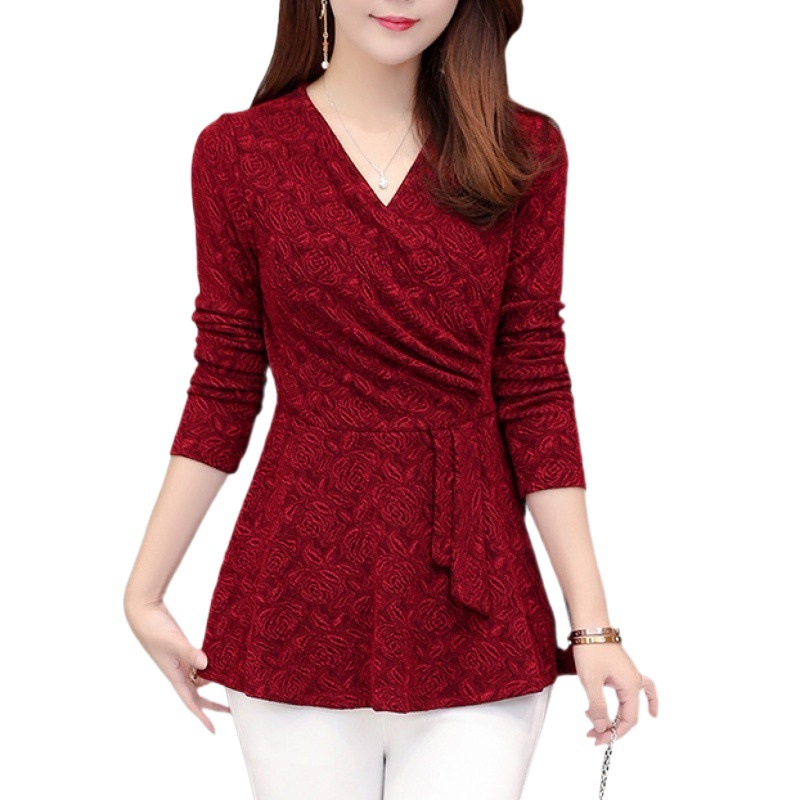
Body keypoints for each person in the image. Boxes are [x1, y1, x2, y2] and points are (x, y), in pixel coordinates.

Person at [124, 2, 658, 798]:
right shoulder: (239, 153)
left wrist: (594, 626)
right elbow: (225, 380)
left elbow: (534, 382)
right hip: (297, 589)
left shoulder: (524, 149)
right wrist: (144, 592)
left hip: (477, 600)